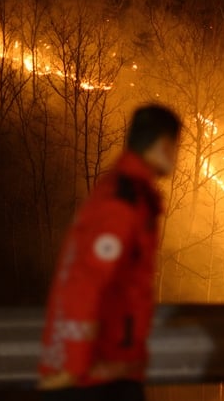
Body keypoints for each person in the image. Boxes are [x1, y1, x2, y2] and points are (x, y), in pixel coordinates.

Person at [38, 104, 181, 401]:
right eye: (174, 147)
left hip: (114, 367)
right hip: (94, 376)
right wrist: (74, 366)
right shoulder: (122, 203)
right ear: (159, 145)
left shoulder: (134, 195)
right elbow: (85, 281)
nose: (176, 157)